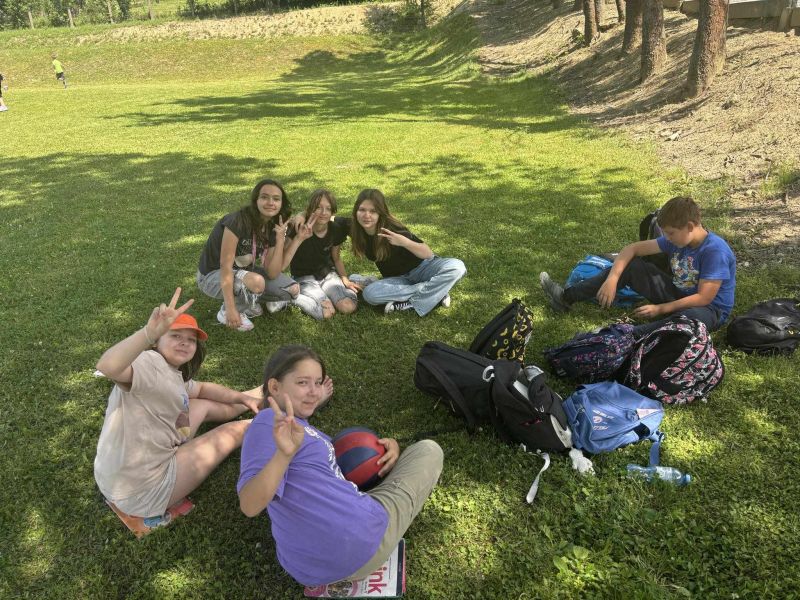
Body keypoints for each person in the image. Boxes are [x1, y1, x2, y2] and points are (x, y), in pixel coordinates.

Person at [237, 345, 443, 587]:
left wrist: (391, 447)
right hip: (362, 542)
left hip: (306, 568)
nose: (313, 391)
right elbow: (249, 505)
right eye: (302, 383)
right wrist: (283, 455)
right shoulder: (266, 424)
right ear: (274, 387)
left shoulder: (295, 429)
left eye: (318, 383)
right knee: (428, 450)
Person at [94, 288, 258, 519]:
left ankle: (260, 397)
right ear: (156, 342)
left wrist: (243, 398)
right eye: (175, 336)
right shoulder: (148, 363)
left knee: (203, 404)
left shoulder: (171, 373)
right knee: (234, 431)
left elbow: (202, 389)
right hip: (143, 491)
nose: (184, 343)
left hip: (115, 479)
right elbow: (108, 367)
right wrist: (148, 333)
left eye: (191, 340)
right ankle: (280, 420)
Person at [539, 196, 737, 336]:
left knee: (688, 318)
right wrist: (612, 279)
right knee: (632, 266)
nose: (667, 238)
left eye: (670, 233)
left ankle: (621, 335)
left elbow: (704, 298)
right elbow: (631, 249)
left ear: (690, 227)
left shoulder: (715, 251)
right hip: (679, 294)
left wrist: (660, 309)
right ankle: (566, 298)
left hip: (709, 310)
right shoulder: (677, 239)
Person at [197, 178, 301, 332]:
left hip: (243, 273)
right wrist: (231, 308)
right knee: (257, 282)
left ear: (281, 203)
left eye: (276, 199)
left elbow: (272, 273)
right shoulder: (237, 221)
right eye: (264, 197)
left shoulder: (273, 225)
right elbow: (225, 266)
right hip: (212, 275)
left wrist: (280, 239)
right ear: (255, 200)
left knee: (292, 289)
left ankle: (249, 300)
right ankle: (228, 310)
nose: (270, 202)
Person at [349, 188, 466, 315]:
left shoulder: (393, 229)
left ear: (380, 213)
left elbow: (427, 254)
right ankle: (436, 291)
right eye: (362, 210)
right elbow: (334, 220)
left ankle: (418, 300)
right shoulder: (356, 228)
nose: (366, 215)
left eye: (373, 211)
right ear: (356, 211)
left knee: (457, 267)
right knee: (369, 294)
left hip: (423, 269)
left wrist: (404, 242)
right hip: (398, 280)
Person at [281, 189, 359, 320]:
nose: (323, 212)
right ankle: (292, 298)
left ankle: (357, 281)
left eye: (328, 209)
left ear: (332, 212)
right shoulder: (298, 227)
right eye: (318, 207)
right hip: (304, 278)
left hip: (328, 275)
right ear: (310, 209)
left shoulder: (335, 229)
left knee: (347, 307)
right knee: (327, 313)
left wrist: (345, 278)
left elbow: (336, 258)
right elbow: (283, 256)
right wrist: (297, 234)